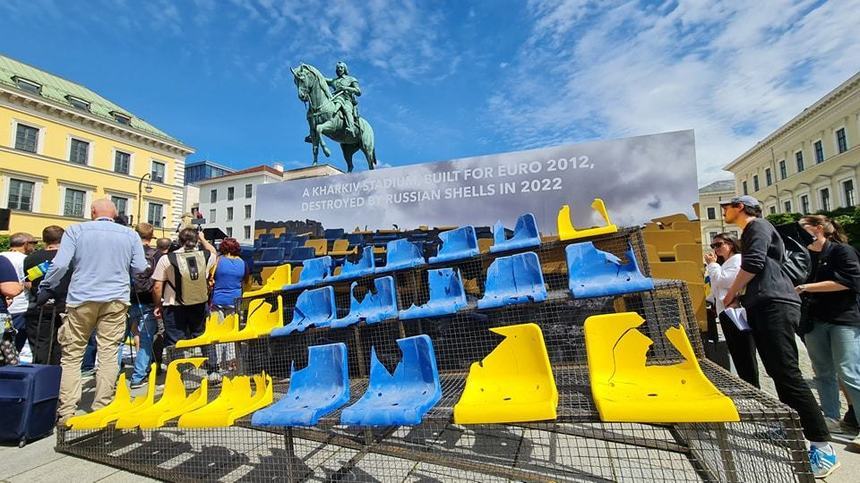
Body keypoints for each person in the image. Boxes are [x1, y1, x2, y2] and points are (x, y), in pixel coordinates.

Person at [721, 196, 838, 478]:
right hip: (765, 304)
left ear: (741, 208)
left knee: (787, 373)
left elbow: (754, 262)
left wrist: (731, 293)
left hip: (775, 304)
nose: (724, 210)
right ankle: (791, 426)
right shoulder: (752, 229)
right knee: (777, 371)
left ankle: (823, 447)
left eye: (728, 206)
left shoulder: (756, 225)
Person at [39, 199, 148, 425]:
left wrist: (46, 286)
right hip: (116, 299)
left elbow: (60, 265)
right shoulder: (129, 235)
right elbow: (140, 268)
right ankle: (102, 407)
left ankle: (67, 411)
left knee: (72, 355)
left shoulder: (76, 230)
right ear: (116, 214)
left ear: (92, 212)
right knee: (109, 353)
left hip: (81, 297)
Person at [797, 215, 860, 452]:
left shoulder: (842, 252)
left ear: (819, 228)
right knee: (823, 372)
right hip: (815, 321)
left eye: (803, 229)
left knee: (849, 371)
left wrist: (806, 287)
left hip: (843, 319)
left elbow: (850, 281)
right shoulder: (805, 256)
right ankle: (831, 418)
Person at [152, 228, 218, 379]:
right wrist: (203, 239)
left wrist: (158, 305)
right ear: (196, 240)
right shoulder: (206, 256)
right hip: (199, 304)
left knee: (175, 340)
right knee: (203, 336)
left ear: (179, 240)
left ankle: (177, 373)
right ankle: (213, 369)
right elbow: (213, 251)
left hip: (173, 305)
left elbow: (157, 286)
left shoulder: (167, 259)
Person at [705, 233, 758, 387]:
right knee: (738, 352)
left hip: (735, 311)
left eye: (719, 244)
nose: (716, 249)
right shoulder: (727, 263)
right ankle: (748, 385)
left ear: (731, 244)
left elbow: (724, 281)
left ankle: (752, 386)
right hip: (726, 311)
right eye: (713, 246)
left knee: (744, 352)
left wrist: (712, 265)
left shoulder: (737, 259)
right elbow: (716, 288)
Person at [23, 226, 69, 364]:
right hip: (65, 305)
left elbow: (28, 282)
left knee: (40, 346)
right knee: (61, 346)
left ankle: (41, 376)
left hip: (40, 305)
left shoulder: (32, 258)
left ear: (44, 240)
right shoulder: (70, 258)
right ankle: (56, 378)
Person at [128, 223, 159, 389]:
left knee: (117, 340)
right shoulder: (156, 254)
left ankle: (111, 375)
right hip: (147, 299)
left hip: (125, 298)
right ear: (151, 235)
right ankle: (138, 376)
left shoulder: (128, 252)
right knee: (146, 338)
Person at [1, 232, 36, 351]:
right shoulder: (28, 260)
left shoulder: (1, 256)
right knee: (12, 348)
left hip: (5, 305)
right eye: (34, 243)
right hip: (20, 307)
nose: (35, 246)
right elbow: (29, 284)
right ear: (25, 244)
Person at [211, 238, 250, 316]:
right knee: (232, 326)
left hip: (218, 299)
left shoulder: (217, 260)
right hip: (235, 300)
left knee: (217, 327)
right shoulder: (243, 263)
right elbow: (246, 281)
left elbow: (210, 277)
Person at [326, 61, 361, 137]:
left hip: (347, 100)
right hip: (335, 99)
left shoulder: (351, 79)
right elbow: (322, 79)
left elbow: (358, 91)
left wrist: (346, 88)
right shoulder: (334, 81)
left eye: (341, 67)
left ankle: (351, 128)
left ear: (345, 69)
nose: (339, 69)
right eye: (338, 68)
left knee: (347, 109)